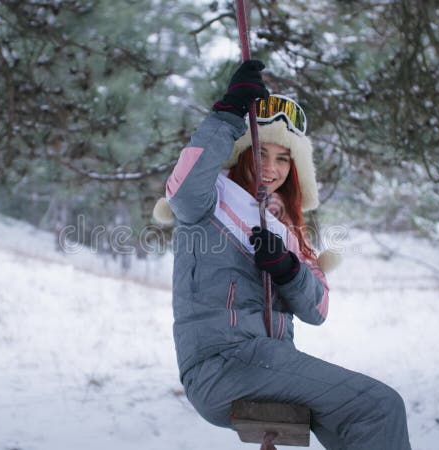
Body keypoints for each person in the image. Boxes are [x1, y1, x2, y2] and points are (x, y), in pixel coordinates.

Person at [158, 60, 412, 450]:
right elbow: (185, 189)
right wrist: (227, 116)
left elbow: (317, 310)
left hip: (266, 362)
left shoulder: (287, 230)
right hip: (222, 364)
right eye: (260, 154)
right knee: (379, 407)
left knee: (356, 421)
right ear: (240, 154)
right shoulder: (209, 203)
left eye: (283, 158)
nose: (271, 169)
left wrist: (287, 269)